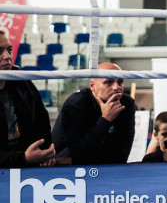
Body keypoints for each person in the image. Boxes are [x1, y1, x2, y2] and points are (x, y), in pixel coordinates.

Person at [52, 62, 136, 165]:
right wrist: (105, 120)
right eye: (109, 82)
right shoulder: (75, 104)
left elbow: (122, 154)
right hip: (64, 169)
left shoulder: (127, 103)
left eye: (120, 82)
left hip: (104, 166)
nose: (116, 87)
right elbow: (79, 154)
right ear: (92, 86)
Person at [0, 29, 55, 168]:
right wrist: (23, 158)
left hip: (30, 166)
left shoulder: (21, 79)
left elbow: (42, 118)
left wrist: (44, 151)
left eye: (9, 50)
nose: (7, 56)